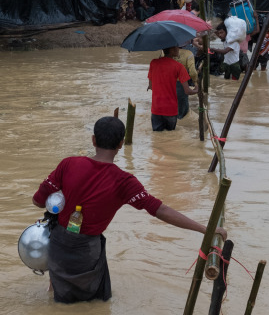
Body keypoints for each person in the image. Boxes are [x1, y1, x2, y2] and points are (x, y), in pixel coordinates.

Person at [32, 116, 227, 303]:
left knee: (59, 300)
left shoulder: (68, 164)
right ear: (121, 144)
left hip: (58, 245)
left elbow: (38, 201)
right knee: (92, 304)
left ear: (93, 140)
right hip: (88, 252)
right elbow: (161, 210)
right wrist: (206, 230)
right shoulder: (124, 182)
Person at [148, 46, 198, 131]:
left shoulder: (153, 63)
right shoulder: (179, 66)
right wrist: (197, 89)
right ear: (172, 50)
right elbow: (187, 91)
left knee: (157, 137)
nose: (179, 49)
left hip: (156, 109)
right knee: (171, 137)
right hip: (170, 110)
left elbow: (151, 86)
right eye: (177, 47)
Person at [173, 43, 198, 119]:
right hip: (181, 84)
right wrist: (195, 82)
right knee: (181, 114)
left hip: (166, 84)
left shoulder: (165, 52)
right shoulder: (188, 53)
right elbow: (192, 72)